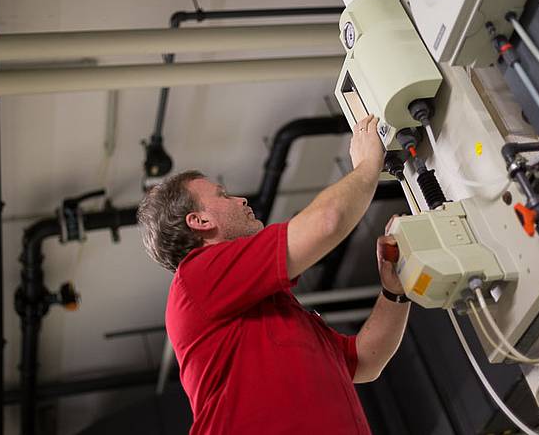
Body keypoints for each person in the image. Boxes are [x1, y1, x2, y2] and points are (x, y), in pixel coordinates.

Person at [138, 114, 410, 434]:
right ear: (199, 221)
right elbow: (327, 222)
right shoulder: (194, 279)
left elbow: (364, 361)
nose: (240, 199)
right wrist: (367, 165)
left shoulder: (274, 310)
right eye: (223, 196)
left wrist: (395, 291)